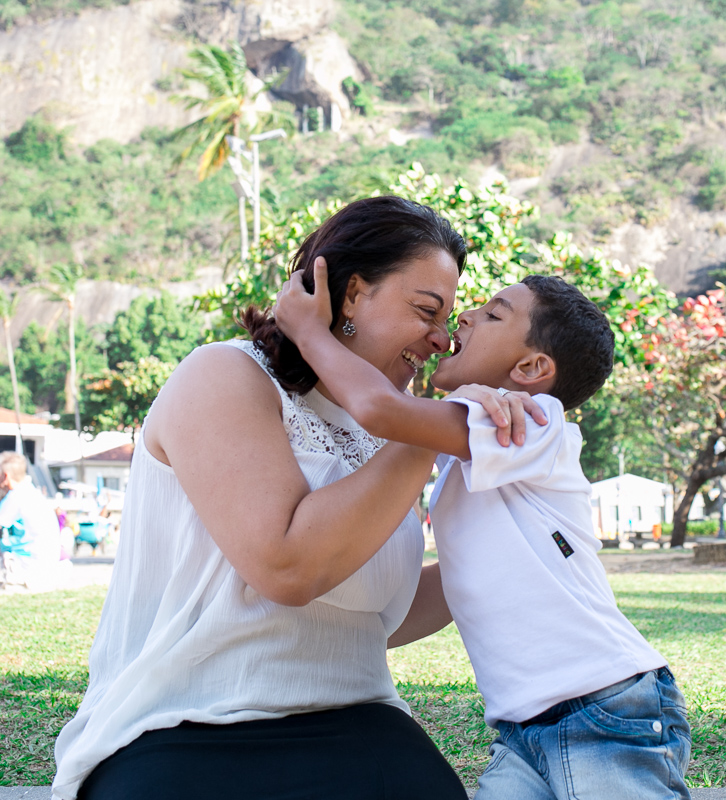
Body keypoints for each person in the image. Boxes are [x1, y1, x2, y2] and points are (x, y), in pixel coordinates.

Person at [51, 196, 543, 800]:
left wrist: (531, 540)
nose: (441, 340)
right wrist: (439, 426)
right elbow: (288, 566)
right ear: (353, 293)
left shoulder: (380, 430)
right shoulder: (225, 376)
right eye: (426, 311)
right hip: (185, 723)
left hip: (358, 719)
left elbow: (376, 607)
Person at [275, 263, 693, 800]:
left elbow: (380, 408)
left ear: (531, 367)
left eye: (493, 313)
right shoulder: (472, 443)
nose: (464, 317)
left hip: (601, 704)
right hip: (521, 730)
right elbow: (462, 580)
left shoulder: (533, 423)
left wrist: (308, 331)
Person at [0, 451, 62, 587]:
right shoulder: (33, 493)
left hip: (28, 565)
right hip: (46, 564)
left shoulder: (15, 496)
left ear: (5, 477)